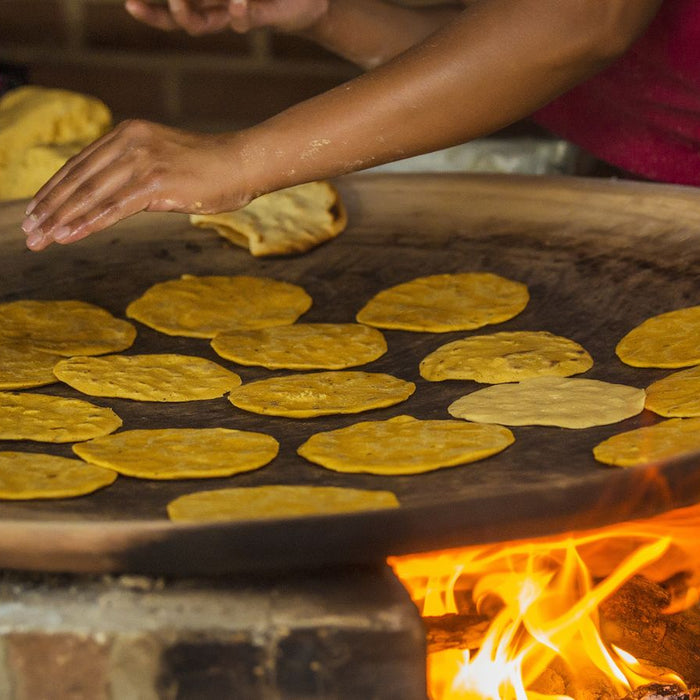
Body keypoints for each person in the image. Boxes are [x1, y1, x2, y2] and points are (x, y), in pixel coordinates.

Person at [22, 0, 679, 252]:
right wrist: (323, 12)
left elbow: (585, 22)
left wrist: (240, 160)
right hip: (645, 181)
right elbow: (498, 62)